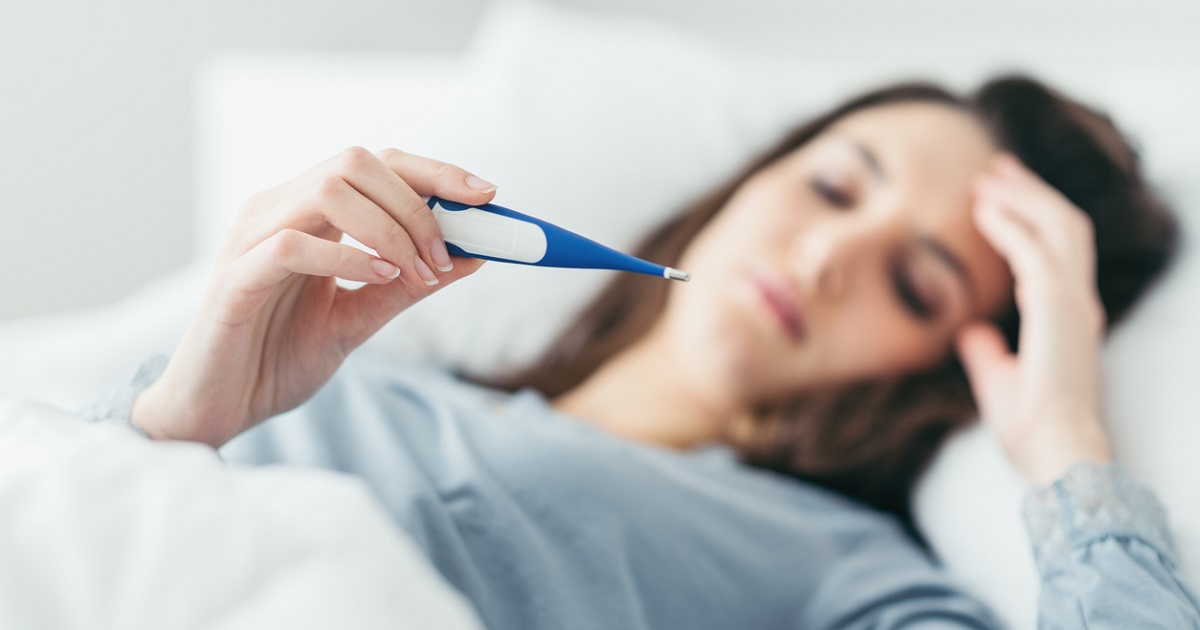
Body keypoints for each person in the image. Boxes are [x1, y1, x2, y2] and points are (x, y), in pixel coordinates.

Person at [89, 75, 1199, 628]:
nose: (826, 257)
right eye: (831, 187)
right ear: (749, 180)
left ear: (942, 364)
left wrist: (1070, 446)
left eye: (915, 283)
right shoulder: (337, 374)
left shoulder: (846, 570)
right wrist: (180, 423)